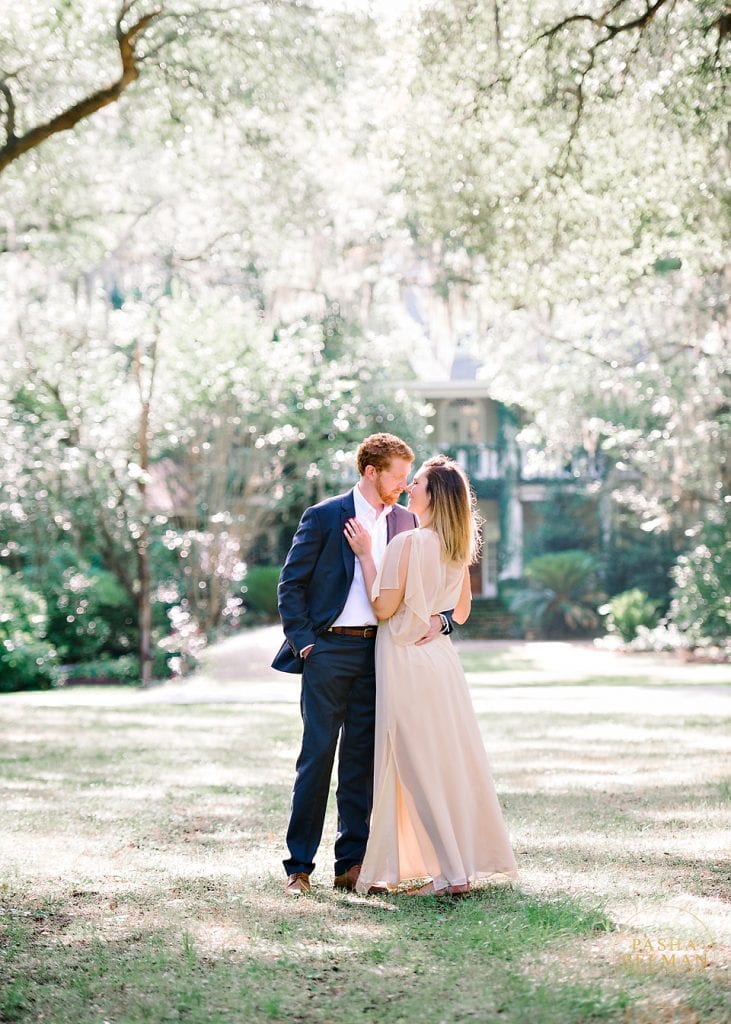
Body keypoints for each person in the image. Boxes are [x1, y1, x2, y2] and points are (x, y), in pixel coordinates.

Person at [272, 433, 455, 896]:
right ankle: (299, 867)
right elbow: (290, 585)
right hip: (327, 651)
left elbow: (443, 581)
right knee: (316, 757)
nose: (403, 484)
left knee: (362, 761)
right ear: (371, 472)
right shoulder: (324, 516)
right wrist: (306, 644)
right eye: (397, 476)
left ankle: (350, 864)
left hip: (381, 653)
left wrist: (446, 619)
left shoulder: (408, 523)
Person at [344, 454, 518, 896]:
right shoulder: (457, 547)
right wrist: (439, 623)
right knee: (441, 761)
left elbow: (383, 608)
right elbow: (460, 611)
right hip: (440, 661)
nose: (408, 488)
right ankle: (451, 866)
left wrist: (366, 556)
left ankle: (453, 875)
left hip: (404, 658)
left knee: (416, 763)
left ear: (434, 494)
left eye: (416, 481)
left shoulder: (409, 543)